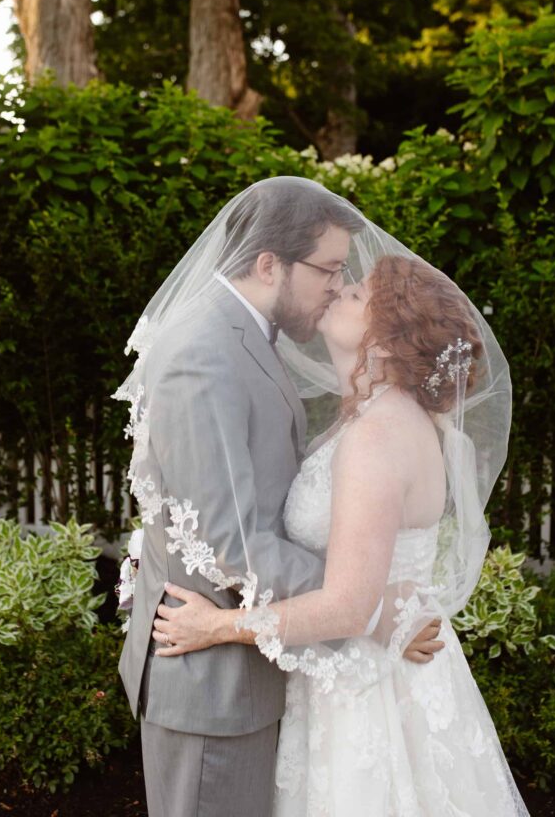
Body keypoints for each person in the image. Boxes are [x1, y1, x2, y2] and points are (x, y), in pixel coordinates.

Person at [150, 250, 530, 815]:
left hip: (369, 694)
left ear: (386, 340)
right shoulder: (381, 418)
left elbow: (350, 609)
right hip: (373, 671)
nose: (340, 290)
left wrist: (217, 626)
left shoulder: (376, 438)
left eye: (357, 296)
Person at [114, 178, 443, 817]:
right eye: (328, 268)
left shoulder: (250, 338)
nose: (336, 284)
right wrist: (368, 607)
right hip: (212, 685)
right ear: (270, 263)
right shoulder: (203, 353)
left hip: (259, 667)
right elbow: (228, 541)